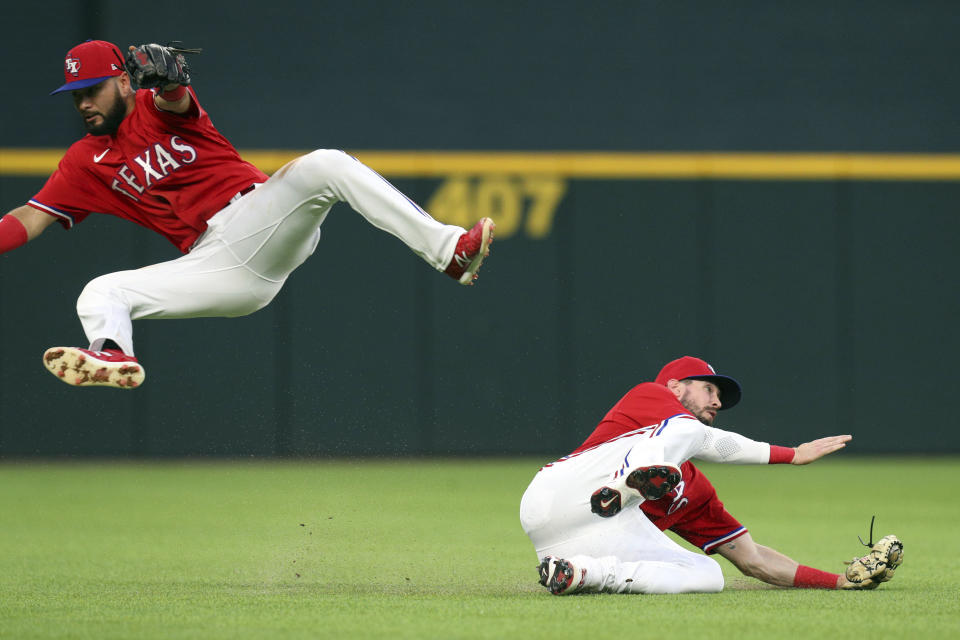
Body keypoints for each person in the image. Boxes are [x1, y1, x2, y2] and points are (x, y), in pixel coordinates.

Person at [0, 40, 494, 389]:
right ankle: (112, 352)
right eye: (77, 95)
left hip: (260, 218)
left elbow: (177, 99)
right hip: (220, 270)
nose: (84, 102)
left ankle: (449, 252)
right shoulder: (83, 162)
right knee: (101, 291)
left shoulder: (155, 106)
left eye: (93, 89)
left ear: (125, 82)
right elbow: (31, 216)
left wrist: (172, 76)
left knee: (325, 164)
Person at [519, 356, 903, 594]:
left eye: (718, 397)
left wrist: (839, 582)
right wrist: (792, 454)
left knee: (708, 576)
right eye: (707, 389)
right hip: (562, 491)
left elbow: (754, 561)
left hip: (579, 543)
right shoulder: (648, 396)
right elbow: (706, 439)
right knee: (684, 430)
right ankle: (628, 482)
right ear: (674, 386)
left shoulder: (695, 491)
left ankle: (583, 575)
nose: (716, 401)